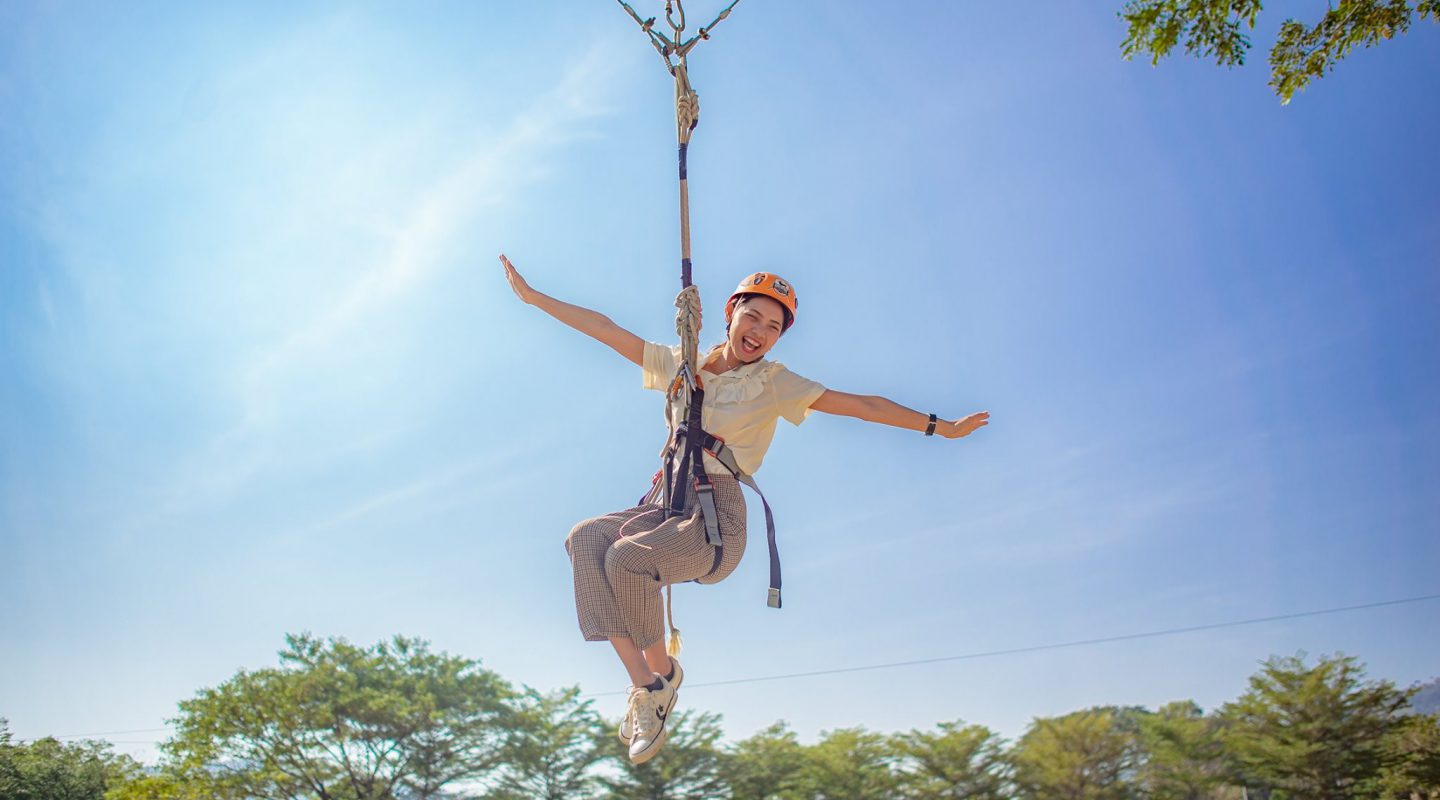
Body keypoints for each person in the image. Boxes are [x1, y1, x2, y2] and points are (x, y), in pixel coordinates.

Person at [498, 253, 989, 764]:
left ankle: (662, 678)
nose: (760, 331)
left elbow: (862, 405)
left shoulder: (773, 382)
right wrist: (534, 298)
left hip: (716, 521)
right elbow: (606, 330)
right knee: (585, 540)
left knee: (626, 558)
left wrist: (940, 426)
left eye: (774, 327)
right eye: (753, 316)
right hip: (668, 503)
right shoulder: (680, 364)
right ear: (730, 313)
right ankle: (650, 688)